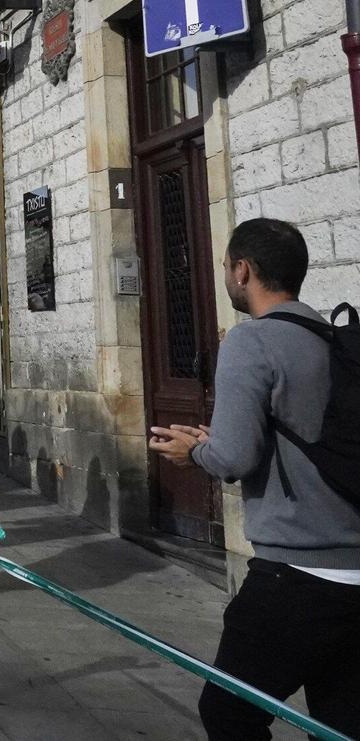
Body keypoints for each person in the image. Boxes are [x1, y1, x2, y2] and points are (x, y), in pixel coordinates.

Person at [148, 218, 360, 740]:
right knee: (339, 725)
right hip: (354, 570)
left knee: (229, 711)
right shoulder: (334, 338)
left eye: (225, 266)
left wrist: (194, 453)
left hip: (298, 571)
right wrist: (212, 443)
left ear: (243, 270)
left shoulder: (253, 341)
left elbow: (237, 458)